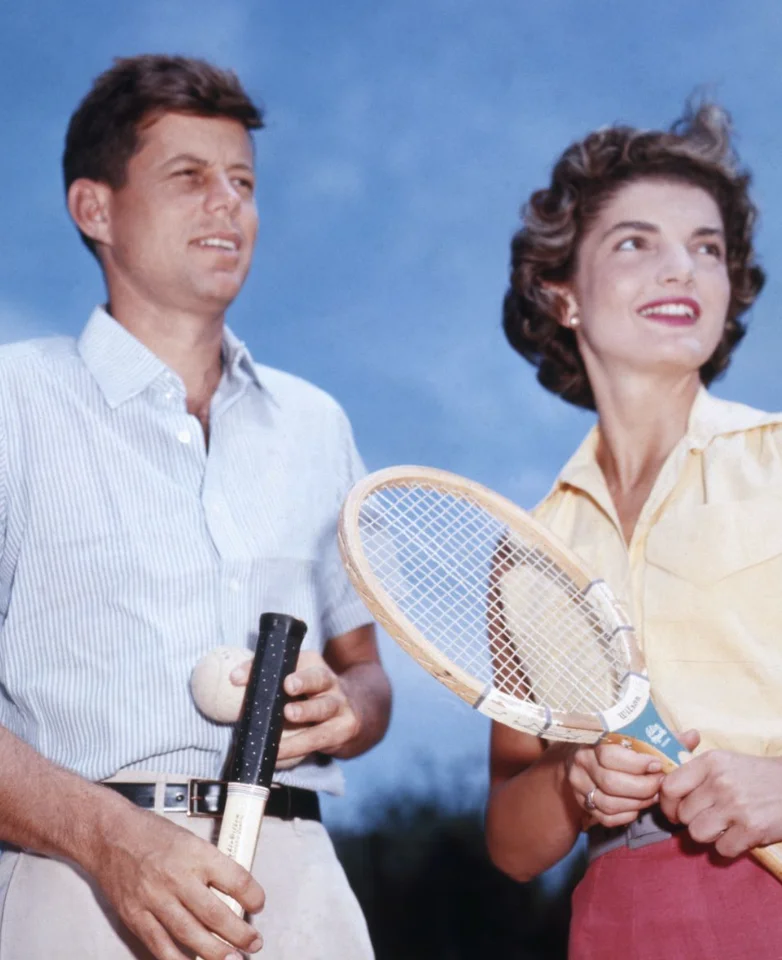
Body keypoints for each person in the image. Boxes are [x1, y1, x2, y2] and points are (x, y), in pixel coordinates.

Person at [0, 55, 391, 960]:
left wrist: (351, 712)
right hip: (79, 881)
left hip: (300, 887)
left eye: (243, 182)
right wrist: (108, 840)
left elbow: (365, 674)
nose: (228, 203)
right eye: (190, 177)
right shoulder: (12, 401)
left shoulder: (316, 423)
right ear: (94, 209)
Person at [485, 101, 782, 958]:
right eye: (635, 242)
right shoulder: (526, 553)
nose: (681, 269)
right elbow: (512, 842)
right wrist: (576, 783)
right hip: (618, 922)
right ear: (563, 293)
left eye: (708, 248)